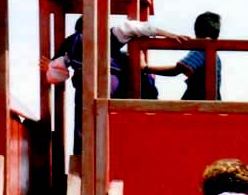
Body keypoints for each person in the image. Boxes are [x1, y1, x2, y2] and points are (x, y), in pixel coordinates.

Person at [45, 17, 188, 154]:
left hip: (86, 85)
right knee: (116, 122)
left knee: (84, 125)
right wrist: (168, 34)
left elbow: (57, 74)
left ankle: (82, 154)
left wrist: (48, 67)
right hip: (115, 84)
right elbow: (134, 27)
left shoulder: (71, 42)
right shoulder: (107, 38)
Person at [142, 12, 223, 100]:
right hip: (211, 99)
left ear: (196, 31)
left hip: (198, 100)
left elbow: (177, 70)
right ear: (217, 35)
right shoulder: (214, 55)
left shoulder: (201, 49)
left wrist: (146, 68)